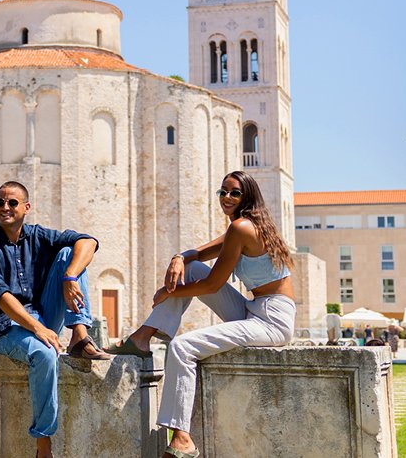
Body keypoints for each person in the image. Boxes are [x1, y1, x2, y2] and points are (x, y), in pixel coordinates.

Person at [104, 171, 296, 458]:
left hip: (272, 319)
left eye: (234, 193)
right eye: (222, 192)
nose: (226, 198)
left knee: (182, 347)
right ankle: (142, 338)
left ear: (247, 197)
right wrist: (178, 258)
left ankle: (182, 439)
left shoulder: (243, 228)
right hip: (254, 309)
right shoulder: (241, 227)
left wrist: (167, 292)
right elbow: (197, 255)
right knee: (191, 269)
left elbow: (213, 284)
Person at [0, 181, 112, 458]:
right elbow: (1, 298)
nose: (5, 208)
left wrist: (70, 276)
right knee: (45, 354)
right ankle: (43, 444)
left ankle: (80, 336)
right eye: (0, 202)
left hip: (43, 315)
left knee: (71, 253)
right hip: (4, 327)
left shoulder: (38, 236)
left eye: (12, 203)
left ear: (26, 207)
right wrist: (39, 329)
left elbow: (90, 241)